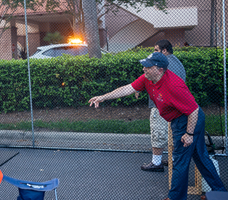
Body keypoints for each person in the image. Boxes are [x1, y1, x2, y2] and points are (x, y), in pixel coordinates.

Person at [88, 52, 227, 200]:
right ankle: (220, 194)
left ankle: (175, 198)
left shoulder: (174, 85)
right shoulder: (148, 79)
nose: (144, 69)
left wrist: (189, 134)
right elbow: (127, 88)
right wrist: (103, 97)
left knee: (179, 160)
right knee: (201, 157)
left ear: (160, 69)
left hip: (189, 120)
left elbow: (193, 111)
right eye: (144, 66)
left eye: (148, 66)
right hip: (180, 119)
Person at [136, 40, 186, 172]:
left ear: (164, 51)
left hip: (161, 105)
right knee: (172, 135)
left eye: (156, 50)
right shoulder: (177, 63)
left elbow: (155, 78)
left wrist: (139, 88)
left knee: (158, 133)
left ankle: (156, 163)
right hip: (175, 107)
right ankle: (173, 160)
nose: (154, 53)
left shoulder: (163, 63)